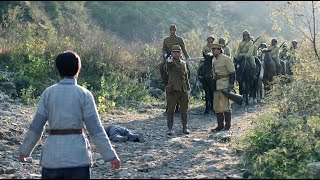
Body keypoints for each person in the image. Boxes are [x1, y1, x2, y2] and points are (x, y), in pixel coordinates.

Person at [18, 51, 120, 179]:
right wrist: (111, 156)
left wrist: (25, 151)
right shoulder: (84, 94)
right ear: (78, 68)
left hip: (52, 158)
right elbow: (96, 130)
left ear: (58, 69)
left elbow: (36, 127)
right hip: (78, 158)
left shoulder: (48, 93)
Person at [159, 24, 190, 114]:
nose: (172, 31)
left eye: (174, 30)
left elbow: (183, 49)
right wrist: (165, 54)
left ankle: (186, 81)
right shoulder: (166, 40)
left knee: (186, 68)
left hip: (178, 58)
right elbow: (164, 49)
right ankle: (163, 80)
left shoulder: (179, 39)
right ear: (170, 31)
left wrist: (187, 57)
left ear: (176, 30)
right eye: (171, 30)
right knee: (161, 66)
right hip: (169, 56)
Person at [165, 45, 191, 135]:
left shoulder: (183, 63)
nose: (176, 53)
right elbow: (169, 64)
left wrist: (188, 88)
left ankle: (185, 127)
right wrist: (169, 59)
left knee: (184, 110)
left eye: (178, 52)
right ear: (172, 53)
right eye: (174, 52)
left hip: (183, 89)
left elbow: (186, 76)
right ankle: (170, 129)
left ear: (180, 53)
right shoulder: (170, 61)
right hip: (173, 89)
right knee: (170, 110)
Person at [211, 44, 235, 132]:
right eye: (212, 50)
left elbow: (232, 73)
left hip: (225, 84)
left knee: (225, 106)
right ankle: (220, 125)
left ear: (219, 50)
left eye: (214, 50)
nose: (212, 51)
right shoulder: (213, 60)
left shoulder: (226, 59)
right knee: (217, 106)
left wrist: (231, 84)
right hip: (217, 85)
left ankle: (227, 125)